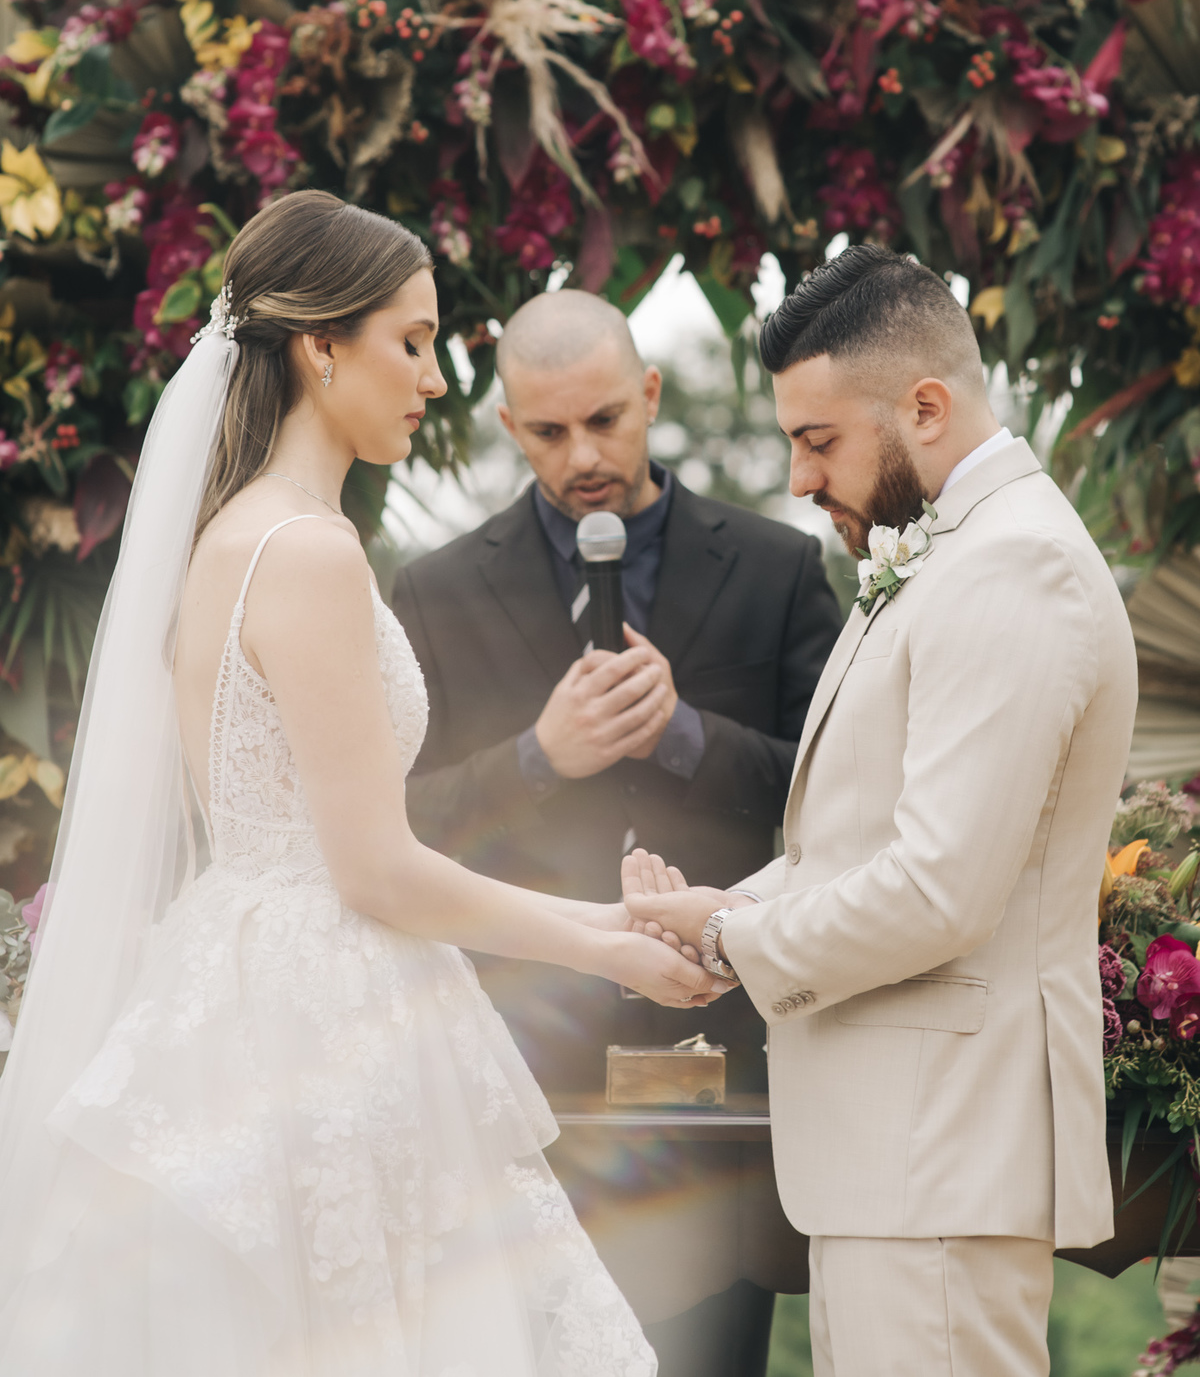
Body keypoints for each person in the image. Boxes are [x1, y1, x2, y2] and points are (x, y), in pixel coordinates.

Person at [0, 191, 729, 1376]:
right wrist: (606, 946)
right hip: (320, 1009)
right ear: (318, 347)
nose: (434, 377)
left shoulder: (228, 538)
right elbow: (375, 867)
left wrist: (611, 915)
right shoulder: (309, 554)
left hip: (238, 979)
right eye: (412, 339)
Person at [623, 245, 1139, 1377]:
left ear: (927, 405)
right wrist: (724, 907)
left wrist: (730, 938)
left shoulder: (1015, 569)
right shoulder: (943, 554)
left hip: (943, 1151)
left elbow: (937, 892)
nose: (801, 480)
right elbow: (850, 839)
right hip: (898, 1157)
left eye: (819, 442)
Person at [393, 288, 843, 1376]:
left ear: (649, 395)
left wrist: (689, 736)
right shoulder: (434, 592)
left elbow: (846, 797)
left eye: (605, 418)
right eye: (548, 432)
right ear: (508, 427)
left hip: (730, 1072)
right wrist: (536, 759)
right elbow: (391, 830)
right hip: (522, 1079)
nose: (582, 453)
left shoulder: (779, 569)